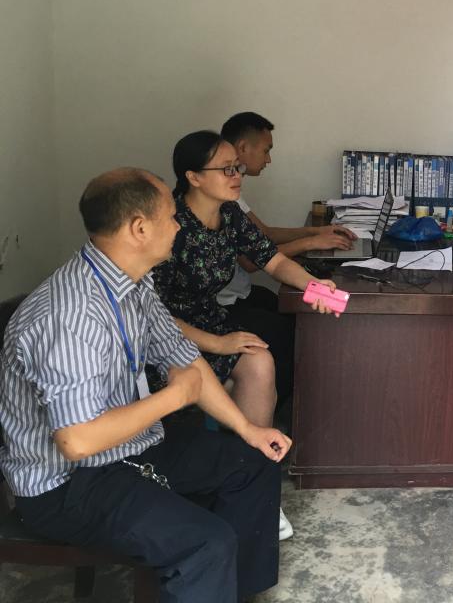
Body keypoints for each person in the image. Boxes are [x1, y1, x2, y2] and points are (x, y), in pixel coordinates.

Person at [0, 168, 292, 603]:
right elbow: (77, 441)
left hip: (129, 448)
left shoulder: (133, 284)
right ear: (139, 229)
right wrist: (173, 398)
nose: (178, 227)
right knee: (205, 543)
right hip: (67, 484)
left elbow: (184, 357)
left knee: (254, 462)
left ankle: (237, 592)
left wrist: (248, 428)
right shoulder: (70, 316)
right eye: (171, 217)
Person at [152, 130, 340, 540]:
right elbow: (152, 314)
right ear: (193, 177)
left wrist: (314, 287)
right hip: (167, 334)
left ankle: (256, 486)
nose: (237, 176)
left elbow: (272, 261)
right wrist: (217, 343)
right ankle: (238, 484)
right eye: (226, 169)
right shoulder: (169, 225)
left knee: (259, 358)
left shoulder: (231, 214)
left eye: (237, 168)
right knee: (245, 351)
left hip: (210, 319)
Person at [217, 112, 356, 403]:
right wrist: (311, 242)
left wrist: (314, 236)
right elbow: (251, 261)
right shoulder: (206, 211)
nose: (268, 160)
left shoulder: (231, 203)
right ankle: (288, 408)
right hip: (219, 309)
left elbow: (264, 239)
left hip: (239, 294)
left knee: (292, 311)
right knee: (293, 334)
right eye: (266, 150)